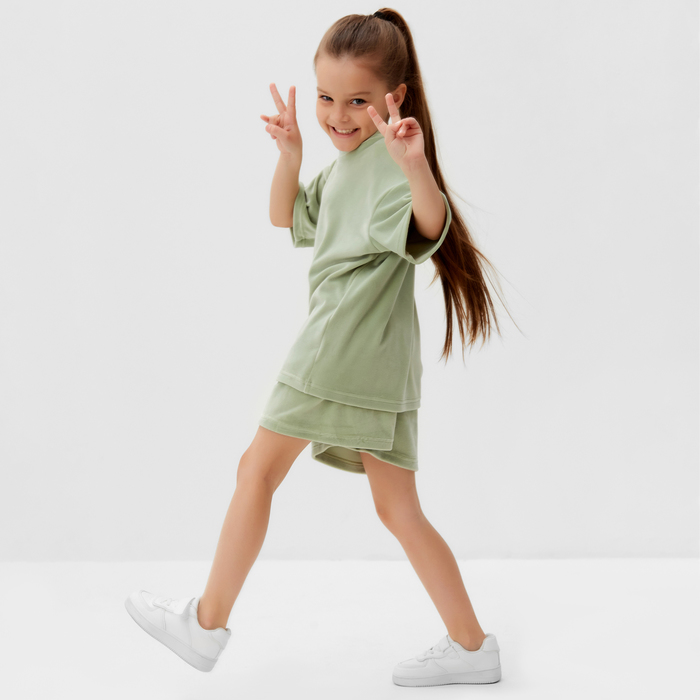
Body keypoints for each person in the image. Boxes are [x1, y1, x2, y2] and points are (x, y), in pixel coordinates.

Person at [125, 7, 517, 687]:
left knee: (256, 471)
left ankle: (206, 626)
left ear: (394, 97)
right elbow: (286, 217)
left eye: (357, 101)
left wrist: (416, 167)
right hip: (380, 362)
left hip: (339, 347)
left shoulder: (391, 165)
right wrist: (291, 155)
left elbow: (430, 224)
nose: (337, 115)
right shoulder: (348, 167)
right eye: (325, 97)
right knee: (398, 510)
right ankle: (472, 646)